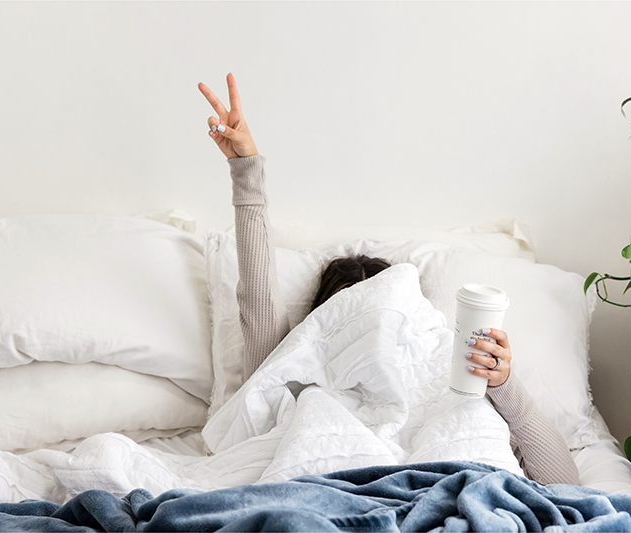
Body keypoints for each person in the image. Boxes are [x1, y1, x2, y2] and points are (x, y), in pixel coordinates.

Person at [199, 74, 580, 486]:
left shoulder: (455, 378)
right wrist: (246, 170)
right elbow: (258, 300)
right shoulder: (292, 376)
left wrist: (504, 385)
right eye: (350, 309)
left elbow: (566, 486)